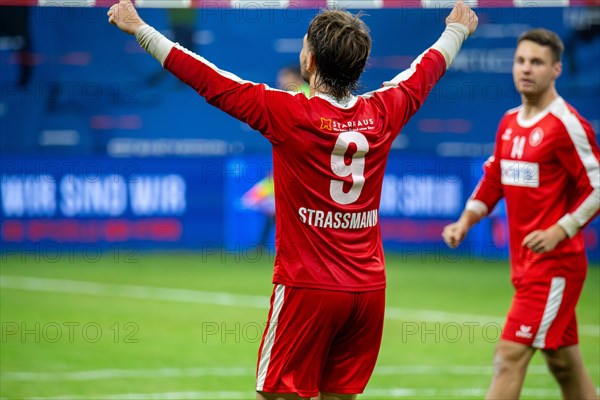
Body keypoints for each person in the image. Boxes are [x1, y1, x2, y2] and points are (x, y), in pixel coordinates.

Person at [108, 1, 478, 399]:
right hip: (368, 292)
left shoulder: (289, 113)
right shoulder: (385, 110)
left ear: (310, 60)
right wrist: (456, 29)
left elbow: (210, 80)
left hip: (309, 289)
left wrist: (139, 28)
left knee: (277, 394)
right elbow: (427, 69)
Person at [443, 29, 599, 400]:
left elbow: (597, 186)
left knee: (509, 356)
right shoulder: (509, 121)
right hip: (524, 263)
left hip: (554, 266)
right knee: (564, 364)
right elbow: (494, 178)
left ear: (556, 69)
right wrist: (465, 221)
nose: (526, 69)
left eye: (537, 62)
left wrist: (561, 230)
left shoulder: (566, 124)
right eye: (521, 60)